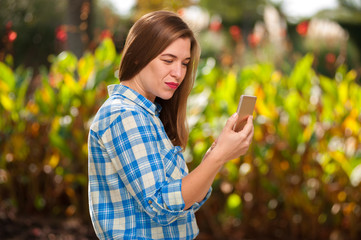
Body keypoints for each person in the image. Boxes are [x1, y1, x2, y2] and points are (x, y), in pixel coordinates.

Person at [88, 10, 254, 240]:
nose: (178, 73)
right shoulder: (123, 114)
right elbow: (161, 205)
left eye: (185, 63)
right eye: (168, 60)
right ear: (138, 55)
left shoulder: (147, 116)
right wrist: (219, 158)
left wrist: (214, 156)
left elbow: (182, 201)